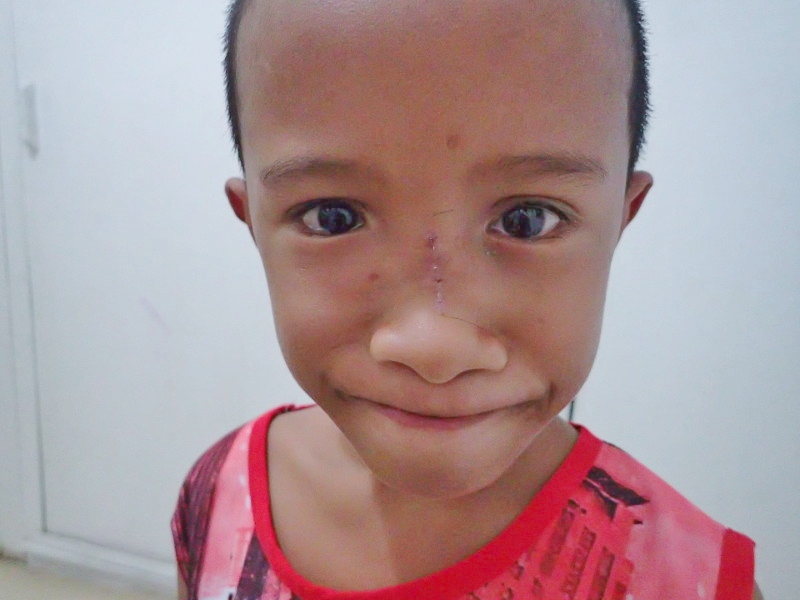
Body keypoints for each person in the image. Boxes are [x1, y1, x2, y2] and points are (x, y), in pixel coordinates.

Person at [172, 0, 763, 598]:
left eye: (529, 219)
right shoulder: (216, 494)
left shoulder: (692, 580)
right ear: (252, 222)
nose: (434, 347)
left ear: (621, 220)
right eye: (333, 217)